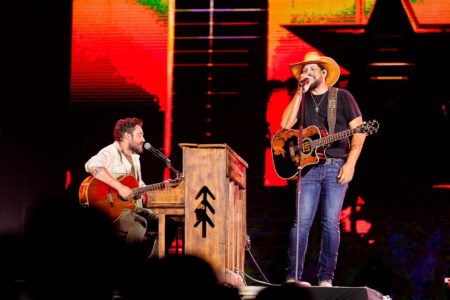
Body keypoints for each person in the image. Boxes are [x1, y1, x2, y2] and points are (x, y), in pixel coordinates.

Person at [280, 52, 366, 287]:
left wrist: (351, 163)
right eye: (304, 71)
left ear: (324, 73)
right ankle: (292, 278)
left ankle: (325, 278)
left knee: (330, 223)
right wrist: (299, 92)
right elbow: (285, 125)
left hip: (336, 165)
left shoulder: (343, 97)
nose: (306, 74)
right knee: (302, 223)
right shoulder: (302, 98)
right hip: (307, 168)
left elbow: (359, 132)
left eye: (311, 70)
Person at [84, 117, 175, 260]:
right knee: (139, 223)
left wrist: (160, 186)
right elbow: (92, 166)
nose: (143, 139)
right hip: (113, 211)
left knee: (168, 224)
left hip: (132, 208)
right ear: (127, 136)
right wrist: (119, 187)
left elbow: (138, 186)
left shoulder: (135, 159)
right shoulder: (110, 152)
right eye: (140, 135)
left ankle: (154, 263)